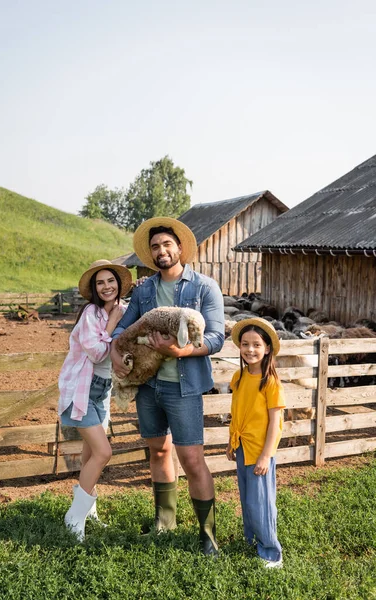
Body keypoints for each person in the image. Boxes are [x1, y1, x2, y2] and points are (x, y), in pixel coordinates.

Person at [110, 217, 224, 556]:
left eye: (167, 245)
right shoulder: (144, 290)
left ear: (179, 249)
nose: (162, 251)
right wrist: (116, 350)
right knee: (158, 450)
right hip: (149, 386)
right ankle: (165, 522)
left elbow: (217, 338)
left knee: (191, 458)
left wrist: (182, 351)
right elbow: (123, 329)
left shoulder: (204, 287)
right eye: (156, 246)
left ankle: (209, 537)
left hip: (184, 387)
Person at [58, 259, 132, 541]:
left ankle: (88, 511)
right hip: (82, 390)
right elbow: (97, 354)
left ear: (118, 284)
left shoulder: (124, 310)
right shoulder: (92, 313)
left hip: (102, 390)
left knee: (91, 454)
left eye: (110, 281)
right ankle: (74, 517)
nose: (106, 287)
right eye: (100, 283)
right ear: (94, 288)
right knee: (103, 453)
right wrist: (112, 322)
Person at [226, 317, 286, 568]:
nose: (250, 350)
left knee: (260, 501)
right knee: (246, 496)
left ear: (267, 349)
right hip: (242, 447)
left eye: (257, 345)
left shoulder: (270, 382)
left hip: (260, 451)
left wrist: (266, 455)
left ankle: (271, 552)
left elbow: (276, 423)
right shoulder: (238, 377)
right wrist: (232, 441)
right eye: (245, 344)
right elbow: (238, 411)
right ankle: (252, 540)